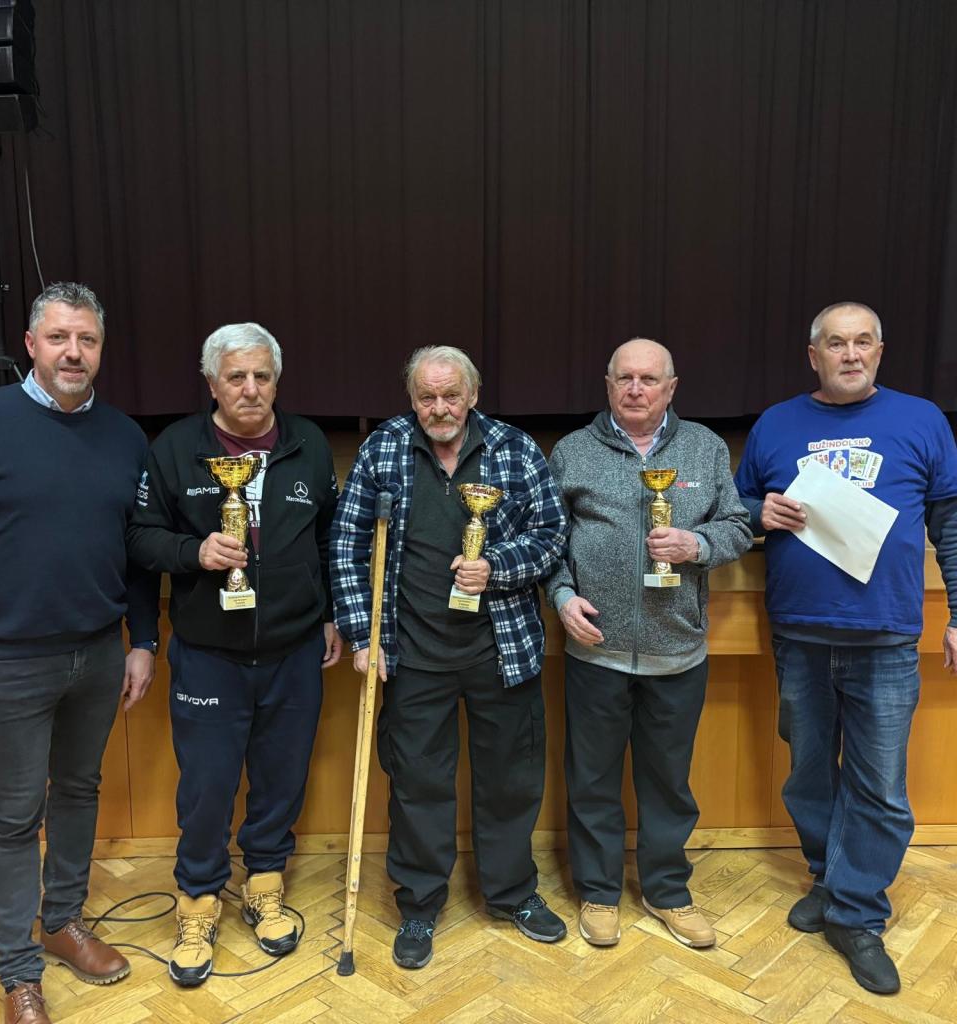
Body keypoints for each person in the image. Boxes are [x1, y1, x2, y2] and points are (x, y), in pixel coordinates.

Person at [0, 282, 159, 1024]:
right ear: (31, 344)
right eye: (59, 337)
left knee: (79, 792)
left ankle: (61, 922)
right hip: (5, 661)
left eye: (86, 340)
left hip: (98, 653)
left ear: (101, 349)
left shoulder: (124, 437)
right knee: (12, 816)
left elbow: (136, 554)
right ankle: (17, 971)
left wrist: (143, 641)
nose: (73, 352)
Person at [735, 302, 957, 995]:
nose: (851, 354)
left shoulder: (923, 420)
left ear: (880, 352)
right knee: (808, 776)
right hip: (799, 635)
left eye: (863, 342)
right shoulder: (775, 424)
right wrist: (758, 514)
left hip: (886, 638)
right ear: (815, 355)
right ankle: (830, 880)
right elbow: (736, 512)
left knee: (880, 786)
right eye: (836, 343)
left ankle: (857, 915)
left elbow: (950, 522)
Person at [331, 346, 567, 969]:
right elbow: (348, 544)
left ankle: (511, 893)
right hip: (413, 654)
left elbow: (552, 535)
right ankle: (419, 905)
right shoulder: (383, 449)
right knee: (418, 786)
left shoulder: (515, 449)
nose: (439, 408)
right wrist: (363, 636)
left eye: (451, 395)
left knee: (510, 781)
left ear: (473, 395)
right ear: (412, 399)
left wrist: (498, 567)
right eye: (427, 397)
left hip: (501, 649)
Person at [127, 322, 341, 987]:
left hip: (294, 651)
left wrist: (330, 615)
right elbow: (139, 539)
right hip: (209, 654)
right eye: (236, 377)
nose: (250, 389)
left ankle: (265, 885)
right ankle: (197, 902)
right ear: (212, 383)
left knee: (282, 779)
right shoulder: (174, 449)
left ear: (277, 380)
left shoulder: (308, 445)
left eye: (262, 376)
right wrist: (194, 552)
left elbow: (329, 539)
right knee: (207, 787)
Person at [544, 338, 751, 951]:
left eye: (649, 379)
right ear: (608, 386)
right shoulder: (573, 451)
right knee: (592, 780)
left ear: (671, 387)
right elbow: (549, 539)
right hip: (595, 650)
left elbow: (738, 525)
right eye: (625, 379)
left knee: (668, 783)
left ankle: (667, 891)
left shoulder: (705, 448)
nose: (636, 389)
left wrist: (698, 545)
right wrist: (561, 596)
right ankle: (599, 892)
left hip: (677, 651)